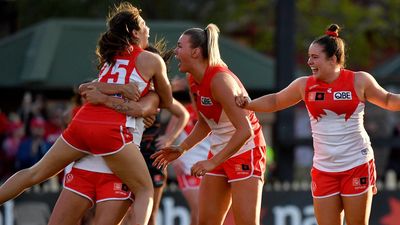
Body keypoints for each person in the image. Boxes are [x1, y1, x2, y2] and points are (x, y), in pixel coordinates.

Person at [0, 3, 173, 225]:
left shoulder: (110, 58)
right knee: (146, 190)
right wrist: (145, 96)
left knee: (34, 173)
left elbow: (86, 88)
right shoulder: (152, 62)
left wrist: (111, 94)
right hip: (110, 134)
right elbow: (165, 102)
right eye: (144, 24)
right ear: (135, 32)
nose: (148, 28)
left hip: (83, 124)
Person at [235, 24, 400, 225]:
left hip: (357, 164)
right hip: (324, 168)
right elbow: (275, 101)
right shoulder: (305, 85)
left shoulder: (359, 80)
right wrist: (249, 104)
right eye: (308, 56)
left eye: (315, 57)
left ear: (333, 59)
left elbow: (389, 100)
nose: (309, 62)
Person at [152, 23, 267, 225]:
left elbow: (245, 131)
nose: (175, 51)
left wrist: (212, 162)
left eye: (180, 46)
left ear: (196, 52)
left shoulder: (220, 80)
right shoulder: (193, 79)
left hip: (246, 151)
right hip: (219, 152)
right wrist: (182, 148)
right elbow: (205, 124)